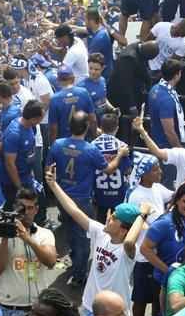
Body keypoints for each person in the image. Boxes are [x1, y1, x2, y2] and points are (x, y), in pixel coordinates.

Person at [45, 163, 147, 316]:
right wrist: (54, 185)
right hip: (89, 307)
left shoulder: (129, 250)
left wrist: (142, 215)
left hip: (113, 315)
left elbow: (129, 241)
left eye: (114, 218)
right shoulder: (101, 233)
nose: (108, 218)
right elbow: (74, 211)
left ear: (123, 229)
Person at [45, 112, 126, 288]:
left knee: (69, 230)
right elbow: (109, 169)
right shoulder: (90, 150)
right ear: (87, 127)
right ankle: (79, 275)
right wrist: (120, 154)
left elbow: (48, 169)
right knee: (83, 237)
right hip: (81, 200)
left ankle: (75, 261)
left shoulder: (57, 145)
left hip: (62, 197)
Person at [0, 187, 59, 316]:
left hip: (39, 306)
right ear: (15, 207)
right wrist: (5, 237)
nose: (25, 212)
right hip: (10, 308)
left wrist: (27, 238)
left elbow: (51, 262)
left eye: (30, 208)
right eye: (22, 207)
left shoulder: (45, 234)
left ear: (36, 209)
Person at [147, 58, 185, 150]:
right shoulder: (166, 99)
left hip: (157, 139)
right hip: (166, 147)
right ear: (177, 75)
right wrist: (180, 150)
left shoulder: (155, 88)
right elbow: (169, 132)